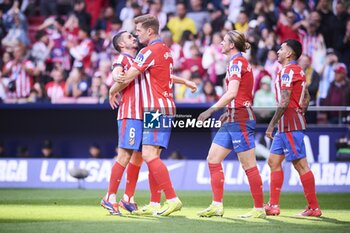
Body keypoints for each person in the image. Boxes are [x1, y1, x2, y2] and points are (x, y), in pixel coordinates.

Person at [102, 28, 196, 216]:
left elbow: (161, 76)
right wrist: (114, 84)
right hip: (130, 113)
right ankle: (109, 197)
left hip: (145, 113)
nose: (134, 36)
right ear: (121, 44)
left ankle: (128, 197)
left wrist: (184, 82)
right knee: (125, 155)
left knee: (138, 157)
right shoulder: (123, 59)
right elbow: (117, 72)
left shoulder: (141, 59)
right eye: (129, 36)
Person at [197, 30, 265, 218]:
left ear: (232, 45)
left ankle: (259, 209)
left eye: (224, 41)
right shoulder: (237, 62)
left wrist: (211, 110)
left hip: (241, 118)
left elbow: (233, 92)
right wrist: (228, 111)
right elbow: (239, 93)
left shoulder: (236, 63)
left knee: (248, 164)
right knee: (213, 158)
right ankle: (216, 205)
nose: (220, 44)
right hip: (233, 117)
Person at [265, 39, 322, 217]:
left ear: (289, 54)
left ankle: (314, 208)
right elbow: (307, 97)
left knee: (301, 165)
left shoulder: (288, 71)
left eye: (281, 49)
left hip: (289, 124)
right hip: (288, 123)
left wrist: (271, 125)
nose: (278, 51)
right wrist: (300, 111)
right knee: (273, 162)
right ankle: (273, 205)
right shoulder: (298, 70)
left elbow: (284, 101)